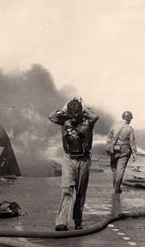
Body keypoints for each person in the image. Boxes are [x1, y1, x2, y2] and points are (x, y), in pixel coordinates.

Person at [48, 97, 99, 231]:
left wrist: (84, 104)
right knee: (67, 190)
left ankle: (78, 219)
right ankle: (62, 222)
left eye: (77, 113)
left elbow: (95, 116)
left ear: (81, 112)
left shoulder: (88, 122)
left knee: (81, 191)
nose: (74, 116)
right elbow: (51, 116)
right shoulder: (65, 121)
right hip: (69, 158)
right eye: (71, 113)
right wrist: (65, 107)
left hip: (84, 159)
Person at [107, 111, 137, 193]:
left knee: (114, 169)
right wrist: (134, 153)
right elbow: (132, 142)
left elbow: (109, 138)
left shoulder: (114, 126)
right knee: (121, 169)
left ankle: (115, 186)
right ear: (129, 119)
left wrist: (109, 149)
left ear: (123, 117)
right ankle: (117, 188)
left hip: (113, 149)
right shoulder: (130, 129)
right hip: (124, 150)